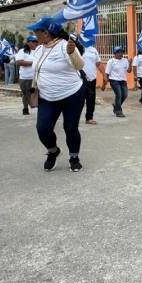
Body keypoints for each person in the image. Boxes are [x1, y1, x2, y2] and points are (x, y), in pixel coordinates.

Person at [31, 22, 85, 172]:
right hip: (47, 97)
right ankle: (53, 151)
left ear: (46, 33)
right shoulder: (39, 49)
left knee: (70, 127)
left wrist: (72, 52)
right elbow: (36, 69)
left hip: (72, 94)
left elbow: (79, 65)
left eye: (36, 31)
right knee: (42, 128)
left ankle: (74, 157)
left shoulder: (64, 45)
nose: (34, 35)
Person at [102, 46, 130, 117]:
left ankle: (116, 105)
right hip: (114, 80)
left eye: (122, 52)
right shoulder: (111, 61)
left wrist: (130, 64)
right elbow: (107, 73)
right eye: (119, 52)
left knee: (125, 94)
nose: (121, 54)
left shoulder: (125, 60)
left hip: (123, 80)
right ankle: (118, 111)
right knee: (119, 94)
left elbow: (129, 71)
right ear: (115, 53)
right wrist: (104, 85)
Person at [81, 36, 104, 124]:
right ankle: (73, 117)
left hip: (92, 78)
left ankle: (89, 117)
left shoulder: (93, 50)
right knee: (79, 99)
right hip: (79, 78)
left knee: (91, 99)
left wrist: (104, 75)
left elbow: (98, 63)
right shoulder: (78, 48)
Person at [15, 34, 40, 115]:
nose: (36, 43)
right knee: (26, 94)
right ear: (28, 42)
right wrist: (33, 63)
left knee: (39, 94)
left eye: (36, 41)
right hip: (25, 77)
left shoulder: (39, 50)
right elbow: (19, 62)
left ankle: (40, 108)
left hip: (36, 77)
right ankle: (25, 108)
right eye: (34, 41)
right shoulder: (22, 51)